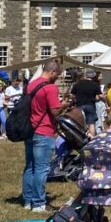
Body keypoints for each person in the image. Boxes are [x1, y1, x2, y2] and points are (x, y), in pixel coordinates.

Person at [21, 60, 74, 212]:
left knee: (30, 166)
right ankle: (38, 203)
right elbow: (55, 111)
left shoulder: (31, 84)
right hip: (44, 130)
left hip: (30, 129)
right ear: (52, 72)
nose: (57, 77)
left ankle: (27, 200)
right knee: (42, 168)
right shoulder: (50, 88)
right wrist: (64, 104)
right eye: (57, 74)